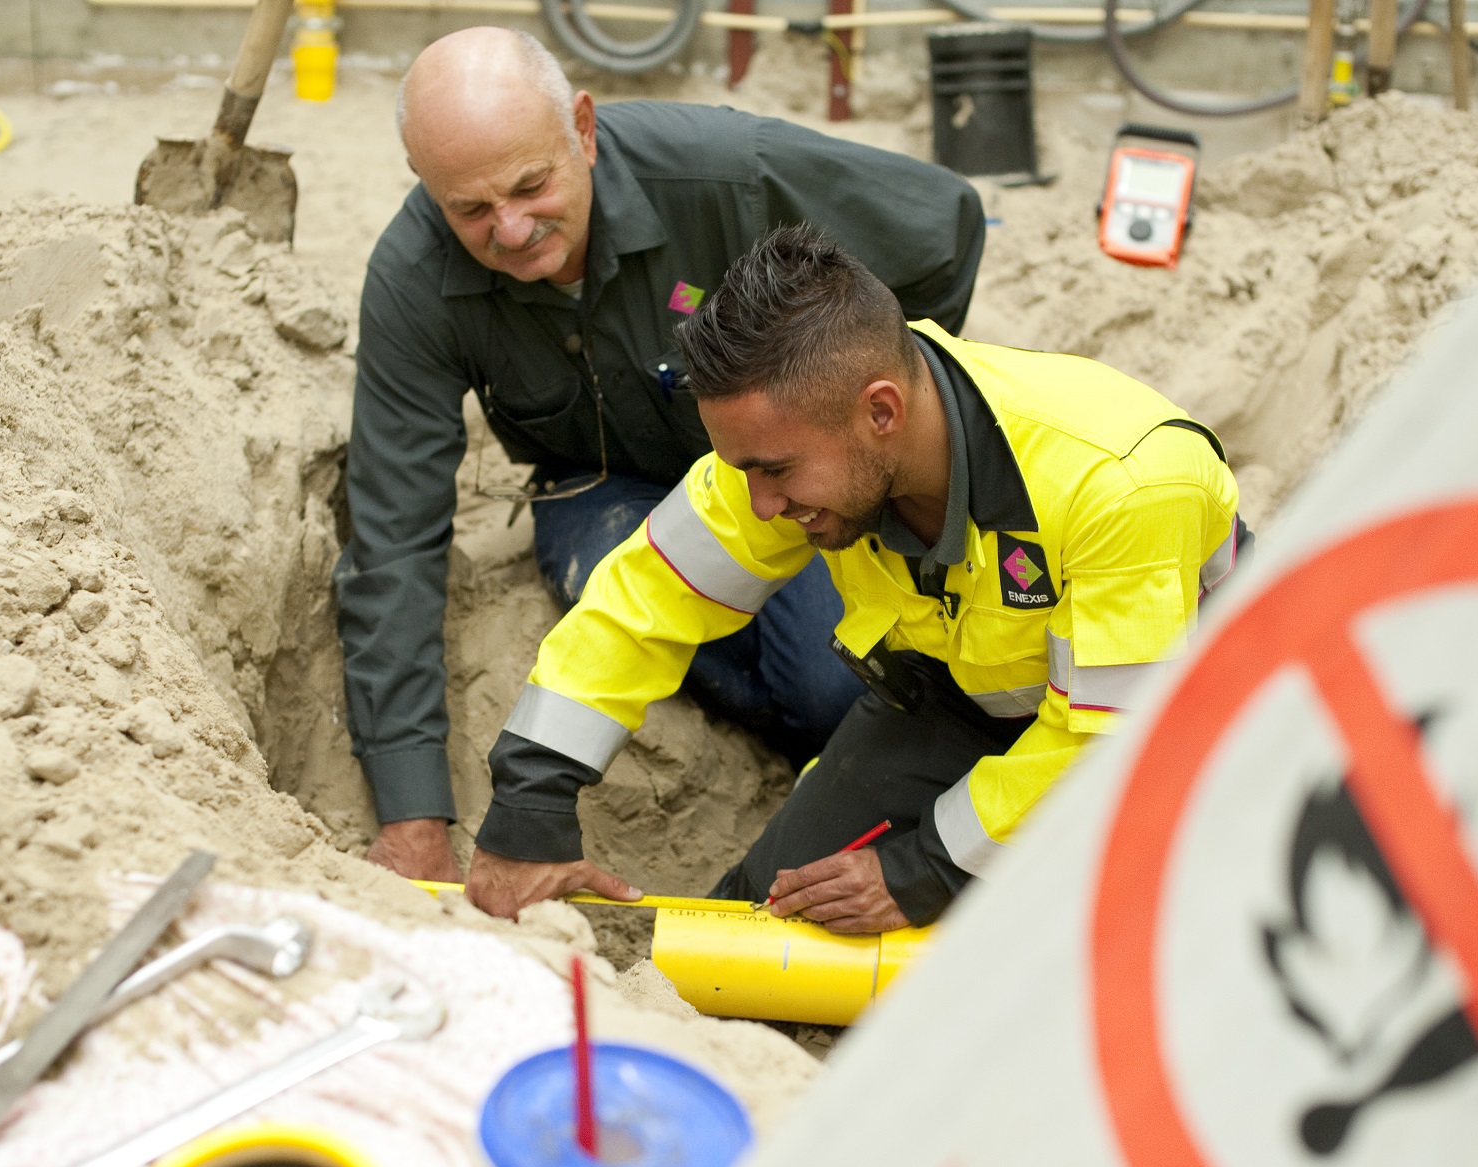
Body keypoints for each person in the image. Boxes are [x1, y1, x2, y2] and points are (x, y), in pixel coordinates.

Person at [340, 28, 987, 883]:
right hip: (606, 491)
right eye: (470, 210)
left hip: (775, 488)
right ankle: (782, 735)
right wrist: (413, 812)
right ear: (428, 187)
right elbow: (394, 536)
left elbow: (944, 224)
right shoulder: (411, 278)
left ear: (583, 127)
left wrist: (867, 440)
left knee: (833, 684)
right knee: (617, 584)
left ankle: (820, 725)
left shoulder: (728, 171)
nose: (513, 227)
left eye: (532, 185)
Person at [465, 226, 1246, 931]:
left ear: (882, 412)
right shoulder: (791, 436)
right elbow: (641, 601)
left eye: (776, 471)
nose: (761, 503)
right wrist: (530, 803)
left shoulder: (1126, 483)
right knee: (762, 918)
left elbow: (1105, 738)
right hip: (960, 695)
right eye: (744, 470)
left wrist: (921, 869)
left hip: (1178, 723)